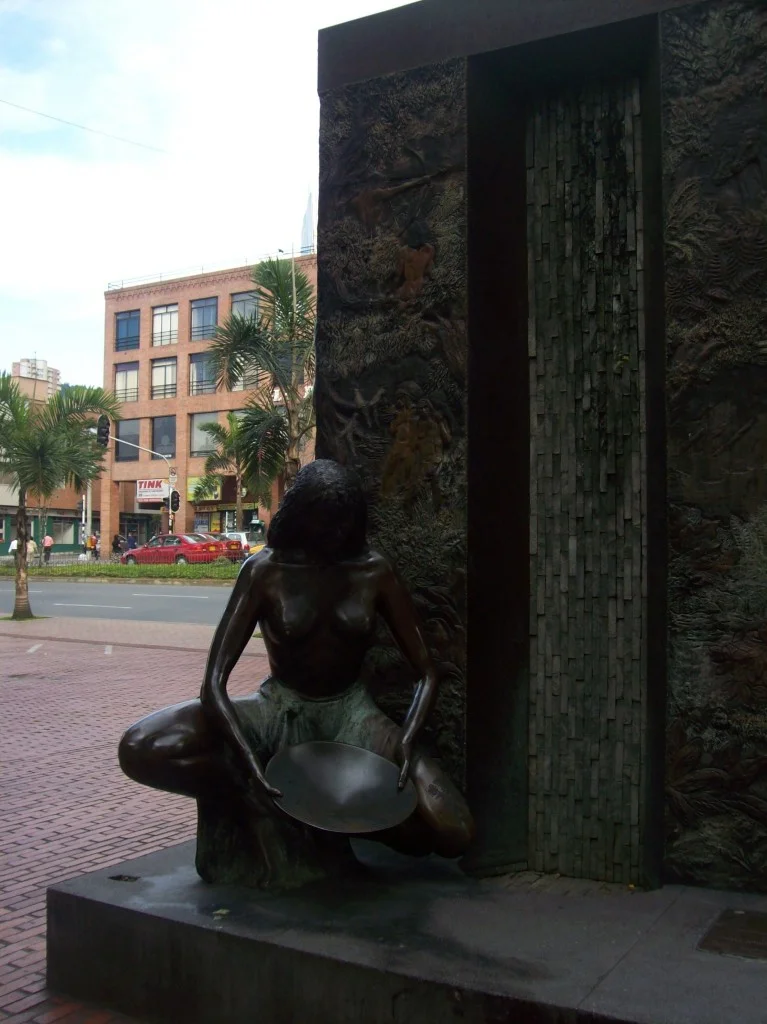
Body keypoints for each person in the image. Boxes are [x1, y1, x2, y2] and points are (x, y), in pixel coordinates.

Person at [119, 460, 474, 861]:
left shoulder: (374, 571)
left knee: (453, 831)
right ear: (303, 517)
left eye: (343, 525)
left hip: (351, 715)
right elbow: (213, 684)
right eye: (326, 524)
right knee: (141, 746)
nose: (334, 536)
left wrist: (407, 739)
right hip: (278, 710)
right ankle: (270, 806)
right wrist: (246, 759)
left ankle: (328, 819)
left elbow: (427, 671)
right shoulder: (264, 571)